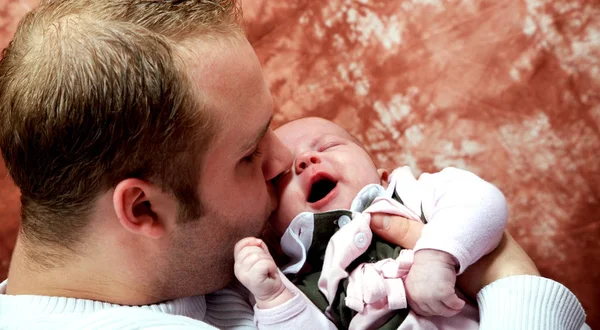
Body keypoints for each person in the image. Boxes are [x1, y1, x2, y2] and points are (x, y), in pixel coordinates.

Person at [0, 1, 587, 329]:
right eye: (251, 154)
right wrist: (514, 282)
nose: (284, 157)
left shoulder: (194, 274)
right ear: (144, 208)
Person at [232, 117, 501, 329]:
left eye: (328, 146)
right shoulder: (300, 285)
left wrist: (436, 257)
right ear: (275, 231)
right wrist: (275, 299)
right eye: (282, 176)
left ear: (382, 176)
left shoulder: (410, 196)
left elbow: (482, 200)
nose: (305, 160)